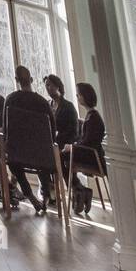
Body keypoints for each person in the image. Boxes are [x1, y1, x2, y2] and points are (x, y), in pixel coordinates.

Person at [2, 66, 52, 213]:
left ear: (16, 80)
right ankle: (46, 195)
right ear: (31, 80)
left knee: (12, 161)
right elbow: (51, 131)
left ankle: (29, 195)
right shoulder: (43, 103)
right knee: (44, 158)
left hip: (18, 155)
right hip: (42, 156)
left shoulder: (10, 100)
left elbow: (6, 130)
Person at [69, 82, 107, 216]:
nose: (77, 97)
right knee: (65, 155)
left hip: (93, 158)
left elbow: (87, 142)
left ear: (85, 96)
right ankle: (80, 190)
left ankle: (79, 190)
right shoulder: (91, 116)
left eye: (78, 94)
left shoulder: (93, 118)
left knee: (63, 156)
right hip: (90, 154)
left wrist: (72, 147)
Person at [42, 74, 79, 205]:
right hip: (51, 143)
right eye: (46, 85)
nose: (48, 88)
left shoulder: (68, 106)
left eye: (50, 85)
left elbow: (73, 131)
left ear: (58, 86)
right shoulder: (47, 105)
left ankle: (74, 188)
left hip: (65, 142)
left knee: (58, 156)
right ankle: (49, 190)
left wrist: (59, 138)